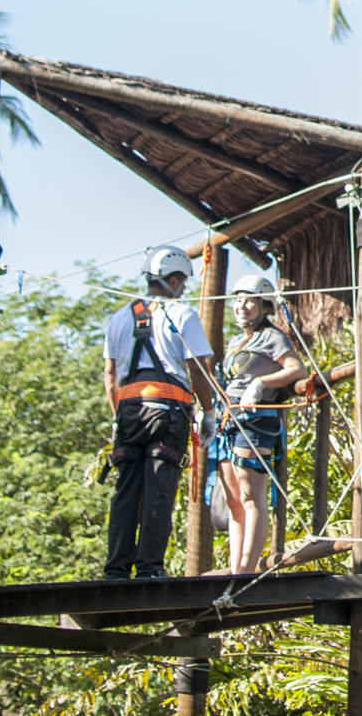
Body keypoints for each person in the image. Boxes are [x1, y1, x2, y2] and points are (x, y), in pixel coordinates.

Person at [102, 245, 216, 580]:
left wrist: (117, 418)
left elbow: (111, 376)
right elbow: (198, 368)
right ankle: (150, 567)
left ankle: (116, 569)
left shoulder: (120, 317)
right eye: (182, 281)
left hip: (129, 412)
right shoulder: (182, 315)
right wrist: (207, 411)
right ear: (175, 278)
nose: (183, 288)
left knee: (126, 489)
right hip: (167, 412)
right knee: (159, 485)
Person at [210, 272, 306, 574]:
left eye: (249, 301)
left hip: (254, 421)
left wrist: (261, 383)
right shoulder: (237, 341)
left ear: (264, 306)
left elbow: (296, 368)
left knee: (252, 496)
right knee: (234, 500)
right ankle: (236, 568)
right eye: (238, 301)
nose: (242, 307)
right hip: (229, 420)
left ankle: (247, 570)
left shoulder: (272, 337)